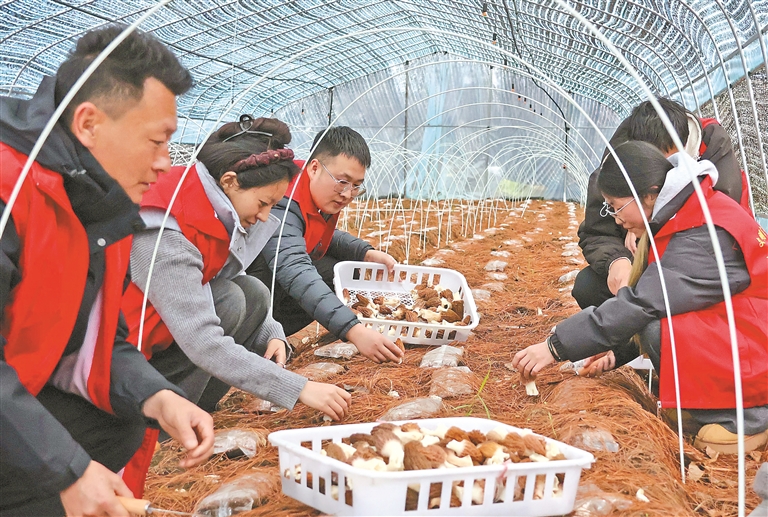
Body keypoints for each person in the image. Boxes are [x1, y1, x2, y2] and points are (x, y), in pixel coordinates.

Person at [0, 26, 214, 517]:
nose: (165, 164)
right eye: (157, 141)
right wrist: (67, 469)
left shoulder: (99, 209)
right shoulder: (9, 189)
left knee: (119, 423)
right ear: (89, 123)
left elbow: (95, 341)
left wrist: (158, 395)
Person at [513, 141, 768, 453]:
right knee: (655, 321)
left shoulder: (702, 234)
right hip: (745, 329)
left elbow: (644, 302)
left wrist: (555, 346)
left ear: (649, 194)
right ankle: (706, 408)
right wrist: (616, 353)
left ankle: (745, 418)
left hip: (755, 344)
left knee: (658, 327)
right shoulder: (689, 210)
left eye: (617, 206)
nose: (615, 218)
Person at [123, 115, 352, 418]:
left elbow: (231, 272)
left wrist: (271, 330)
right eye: (263, 204)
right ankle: (163, 422)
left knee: (251, 291)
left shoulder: (214, 205)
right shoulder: (167, 230)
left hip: (161, 332)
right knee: (230, 299)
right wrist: (299, 388)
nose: (265, 216)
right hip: (125, 359)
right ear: (230, 181)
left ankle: (201, 409)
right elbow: (203, 341)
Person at [247, 127, 404, 364]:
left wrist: (364, 252)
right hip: (244, 289)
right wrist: (354, 330)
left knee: (337, 271)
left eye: (356, 186)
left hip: (273, 277)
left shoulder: (313, 192)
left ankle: (272, 335)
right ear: (314, 168)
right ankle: (254, 340)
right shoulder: (281, 201)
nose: (347, 194)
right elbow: (294, 268)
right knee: (303, 276)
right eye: (342, 182)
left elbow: (314, 234)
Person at [573, 98, 746, 310]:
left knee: (659, 312)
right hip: (641, 262)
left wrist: (646, 227)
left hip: (692, 267)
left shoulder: (712, 150)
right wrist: (616, 261)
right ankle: (631, 328)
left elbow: (716, 236)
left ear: (683, 146)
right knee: (588, 286)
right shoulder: (617, 164)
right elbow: (596, 231)